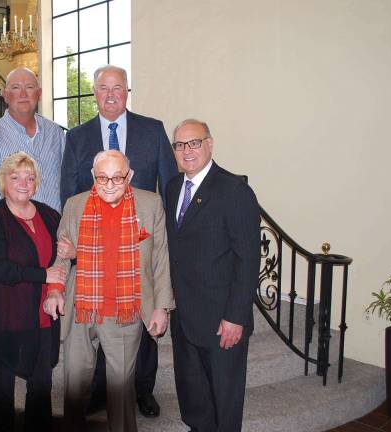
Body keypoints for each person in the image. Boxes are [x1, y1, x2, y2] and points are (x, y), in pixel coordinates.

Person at [59, 64, 178, 417]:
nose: (111, 94)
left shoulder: (152, 130)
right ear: (94, 93)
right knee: (99, 334)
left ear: (127, 91)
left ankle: (143, 390)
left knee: (139, 328)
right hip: (94, 256)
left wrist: (164, 240)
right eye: (103, 88)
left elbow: (169, 187)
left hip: (138, 246)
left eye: (118, 87)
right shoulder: (77, 137)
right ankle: (99, 392)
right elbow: (69, 192)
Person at [44, 150, 174, 432]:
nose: (110, 184)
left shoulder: (150, 205)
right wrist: (54, 290)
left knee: (121, 392)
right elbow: (62, 257)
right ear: (93, 176)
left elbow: (160, 259)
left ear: (130, 176)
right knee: (74, 388)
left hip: (124, 312)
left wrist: (161, 307)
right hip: (82, 308)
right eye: (103, 177)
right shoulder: (75, 205)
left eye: (118, 177)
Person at [165, 119, 260, 432]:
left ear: (210, 144)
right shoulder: (173, 187)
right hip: (185, 317)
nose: (187, 151)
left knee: (224, 402)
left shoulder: (235, 190)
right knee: (194, 399)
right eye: (180, 145)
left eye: (194, 142)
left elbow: (248, 260)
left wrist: (236, 316)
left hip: (222, 321)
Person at [0, 151, 66, 432]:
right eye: (16, 177)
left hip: (44, 315)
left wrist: (69, 254)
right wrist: (43, 275)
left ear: (36, 183)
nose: (24, 183)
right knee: (2, 385)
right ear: (3, 181)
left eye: (30, 177)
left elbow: (62, 258)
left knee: (41, 384)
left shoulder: (49, 215)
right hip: (7, 316)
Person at [0, 67, 64, 211]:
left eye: (29, 87)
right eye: (16, 87)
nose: (23, 94)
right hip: (14, 231)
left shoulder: (55, 133)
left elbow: (66, 182)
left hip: (57, 228)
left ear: (39, 94)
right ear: (5, 95)